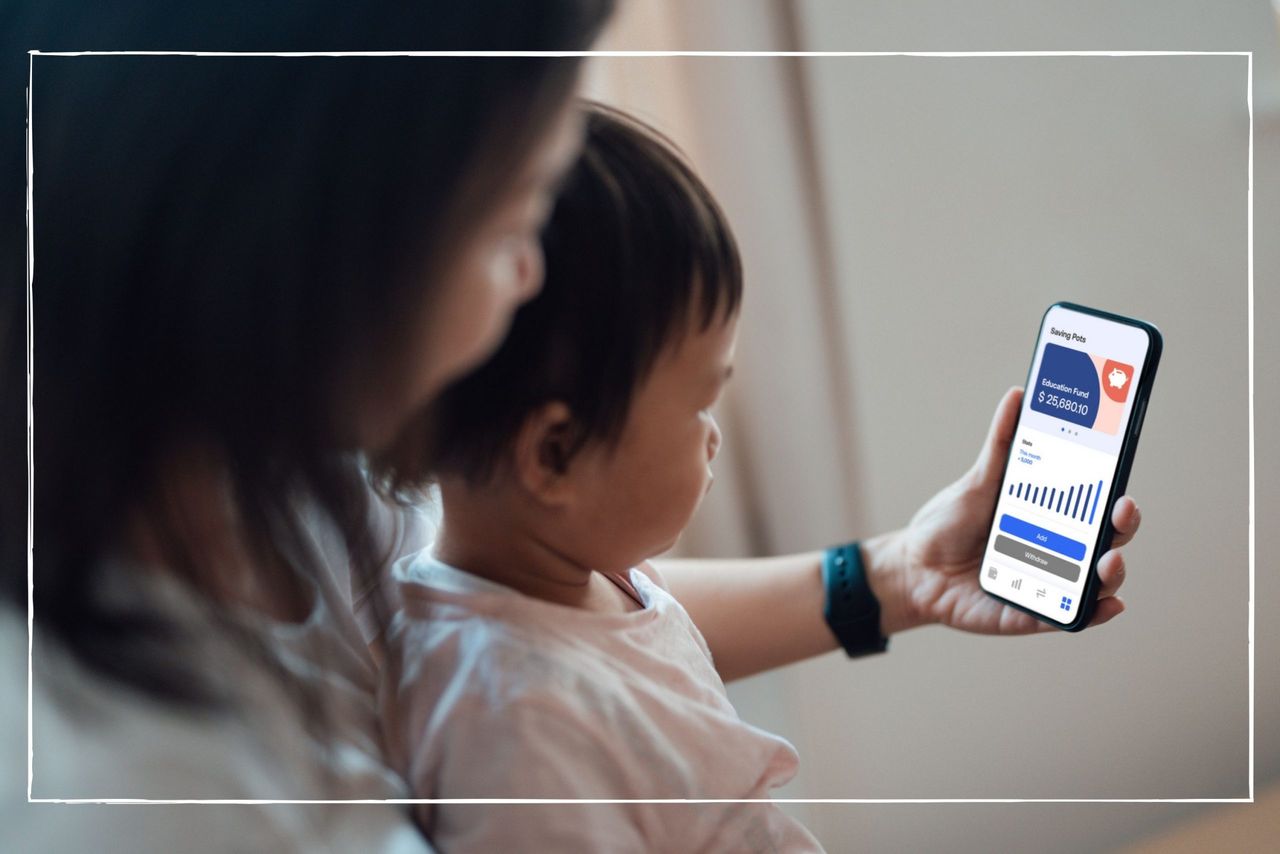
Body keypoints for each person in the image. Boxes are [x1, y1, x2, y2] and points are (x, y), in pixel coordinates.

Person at [374, 104, 1139, 851]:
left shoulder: (573, 582)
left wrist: (908, 569)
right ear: (553, 456)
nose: (712, 437)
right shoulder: (517, 738)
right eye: (700, 402)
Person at [0, 2, 615, 851]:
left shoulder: (271, 483)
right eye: (514, 216)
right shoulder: (129, 800)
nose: (531, 271)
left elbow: (529, 602)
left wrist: (855, 587)